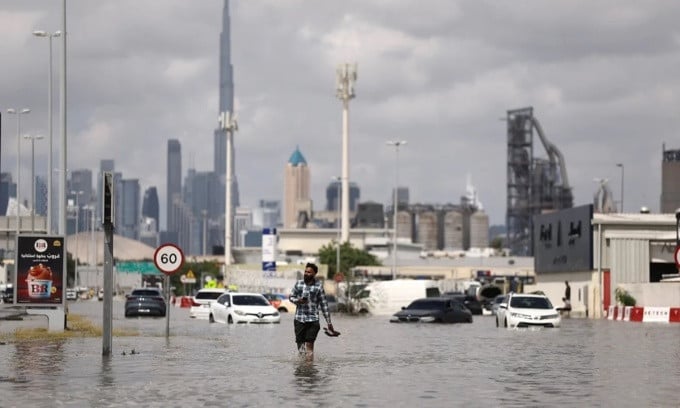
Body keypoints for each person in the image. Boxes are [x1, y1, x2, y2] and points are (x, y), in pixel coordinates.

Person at [289, 263, 336, 359]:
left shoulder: (318, 287)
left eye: (309, 272)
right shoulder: (299, 284)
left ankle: (309, 370)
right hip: (299, 319)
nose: (306, 273)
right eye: (305, 271)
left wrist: (329, 323)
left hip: (313, 320)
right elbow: (291, 297)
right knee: (300, 346)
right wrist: (298, 301)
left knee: (309, 346)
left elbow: (324, 305)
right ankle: (302, 368)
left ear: (314, 274)